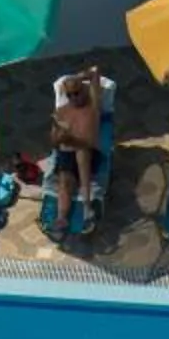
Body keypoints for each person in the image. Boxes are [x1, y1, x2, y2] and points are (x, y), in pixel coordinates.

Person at [49, 68, 103, 224]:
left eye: (77, 93)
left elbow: (95, 71)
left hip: (89, 152)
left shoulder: (93, 104)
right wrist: (60, 136)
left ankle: (87, 205)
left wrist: (76, 77)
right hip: (67, 154)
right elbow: (53, 143)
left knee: (82, 152)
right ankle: (61, 218)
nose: (73, 97)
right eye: (69, 95)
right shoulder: (61, 111)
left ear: (84, 89)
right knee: (65, 181)